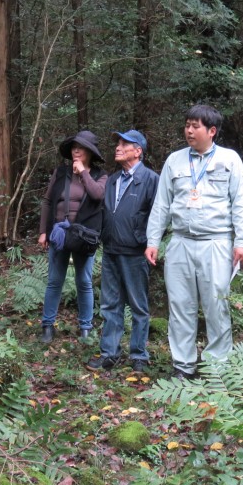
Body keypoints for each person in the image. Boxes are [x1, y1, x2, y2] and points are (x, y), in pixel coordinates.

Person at [145, 105, 243, 380]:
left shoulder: (229, 160)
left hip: (216, 242)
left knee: (216, 305)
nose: (189, 131)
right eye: (187, 125)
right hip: (180, 241)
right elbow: (162, 204)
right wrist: (153, 240)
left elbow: (240, 202)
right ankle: (183, 364)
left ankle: (216, 365)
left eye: (195, 126)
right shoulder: (175, 161)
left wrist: (242, 241)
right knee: (180, 305)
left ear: (212, 131)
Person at [87, 130, 159, 373]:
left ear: (138, 150)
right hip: (110, 250)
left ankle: (139, 354)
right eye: (117, 143)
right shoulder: (114, 179)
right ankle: (110, 353)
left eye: (124, 144)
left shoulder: (151, 179)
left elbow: (158, 215)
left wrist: (147, 240)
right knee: (110, 304)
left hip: (136, 251)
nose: (118, 147)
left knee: (138, 305)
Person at [38, 130, 109, 344]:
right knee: (54, 280)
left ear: (90, 152)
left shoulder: (100, 175)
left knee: (84, 281)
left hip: (84, 236)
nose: (76, 150)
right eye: (73, 147)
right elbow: (48, 201)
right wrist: (43, 231)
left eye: (81, 147)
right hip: (59, 234)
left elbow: (98, 195)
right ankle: (47, 326)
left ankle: (86, 327)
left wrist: (83, 173)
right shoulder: (61, 172)